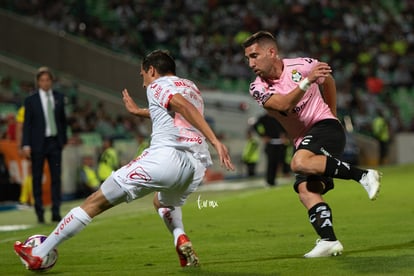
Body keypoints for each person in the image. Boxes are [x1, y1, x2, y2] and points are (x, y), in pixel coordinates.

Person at [14, 50, 234, 270]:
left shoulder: (158, 85)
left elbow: (181, 107)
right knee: (163, 202)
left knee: (94, 202)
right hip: (193, 167)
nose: (143, 83)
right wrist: (140, 112)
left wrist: (215, 140)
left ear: (152, 70)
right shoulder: (191, 87)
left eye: (142, 76)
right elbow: (181, 110)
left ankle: (39, 253)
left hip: (165, 158)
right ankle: (180, 238)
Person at [242, 31, 381, 258]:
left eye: (255, 56)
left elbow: (329, 81)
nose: (251, 63)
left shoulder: (303, 65)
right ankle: (329, 241)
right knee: (307, 190)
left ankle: (364, 176)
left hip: (325, 127)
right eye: (248, 58)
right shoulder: (257, 87)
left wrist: (332, 114)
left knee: (299, 162)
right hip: (304, 140)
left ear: (272, 52)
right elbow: (285, 105)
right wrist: (307, 82)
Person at [21, 67, 67, 223]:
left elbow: (62, 121)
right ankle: (39, 212)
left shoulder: (59, 97)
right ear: (38, 82)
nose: (45, 83)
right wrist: (25, 144)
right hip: (37, 144)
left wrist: (63, 140)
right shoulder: (30, 100)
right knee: (37, 178)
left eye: (48, 80)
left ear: (51, 81)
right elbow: (27, 124)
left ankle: (56, 211)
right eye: (42, 80)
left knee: (56, 178)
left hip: (55, 142)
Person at [253, 113, 289, 186]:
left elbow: (286, 125)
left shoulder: (279, 116)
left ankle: (285, 173)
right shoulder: (263, 118)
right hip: (271, 143)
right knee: (271, 162)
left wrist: (285, 134)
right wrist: (263, 135)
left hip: (280, 142)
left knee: (282, 160)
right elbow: (255, 126)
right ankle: (270, 180)